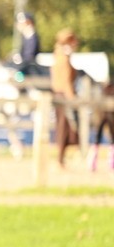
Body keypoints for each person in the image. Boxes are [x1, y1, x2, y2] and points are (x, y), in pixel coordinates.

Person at [51, 29, 80, 169]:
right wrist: (72, 99)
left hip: (59, 95)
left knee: (63, 127)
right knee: (66, 127)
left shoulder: (57, 56)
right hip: (64, 96)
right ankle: (60, 160)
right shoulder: (63, 58)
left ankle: (61, 159)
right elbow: (66, 81)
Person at [12, 11, 41, 78]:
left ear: (28, 22)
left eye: (22, 23)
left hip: (30, 71)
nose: (18, 25)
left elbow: (29, 58)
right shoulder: (25, 36)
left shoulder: (32, 37)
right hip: (26, 69)